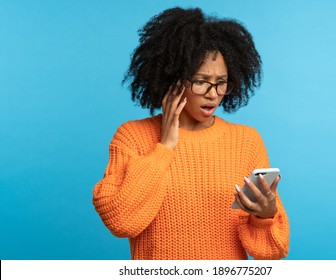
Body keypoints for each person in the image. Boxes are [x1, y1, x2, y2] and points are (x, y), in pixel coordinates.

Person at [92, 7, 289, 260]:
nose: (213, 93)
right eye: (201, 81)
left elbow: (273, 251)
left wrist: (265, 216)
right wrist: (164, 147)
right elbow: (120, 221)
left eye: (221, 82)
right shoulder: (132, 136)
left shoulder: (247, 142)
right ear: (174, 79)